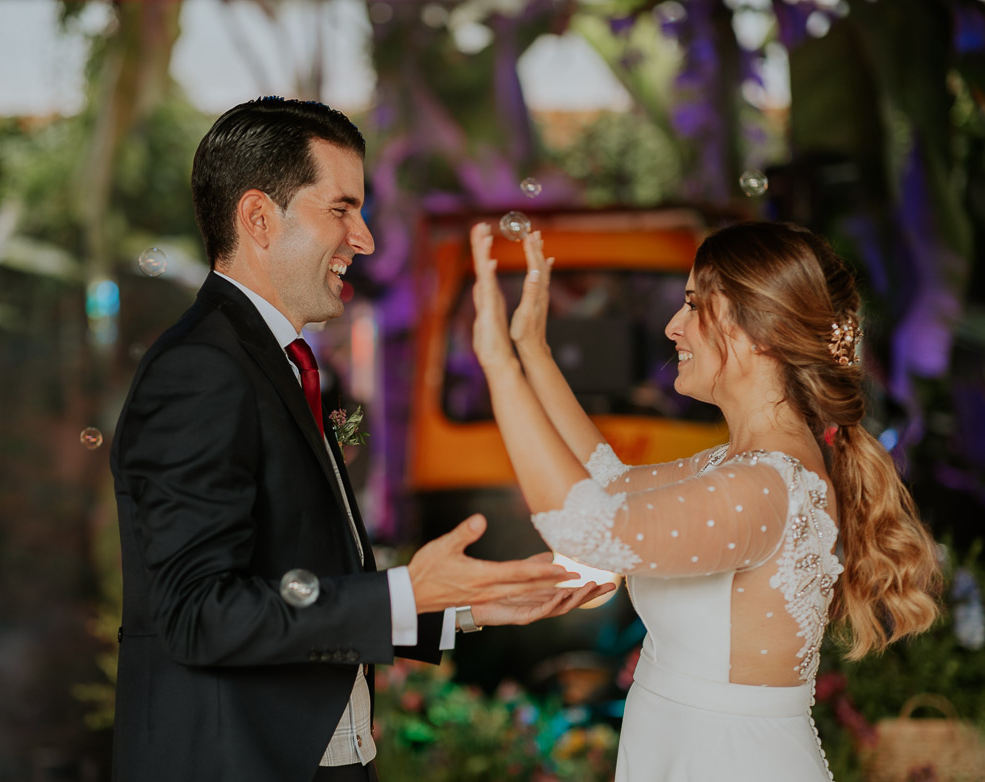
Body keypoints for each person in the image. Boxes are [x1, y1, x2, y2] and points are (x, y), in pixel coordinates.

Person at [108, 97, 614, 782]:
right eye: (341, 210)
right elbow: (200, 613)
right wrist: (403, 592)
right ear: (258, 218)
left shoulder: (276, 361)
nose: (365, 239)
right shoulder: (201, 370)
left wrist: (460, 607)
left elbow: (292, 572)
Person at [469, 220, 943, 780]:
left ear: (759, 331)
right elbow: (610, 484)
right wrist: (533, 352)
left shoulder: (767, 485)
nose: (674, 326)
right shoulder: (742, 468)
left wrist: (499, 367)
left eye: (694, 305)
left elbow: (588, 527)